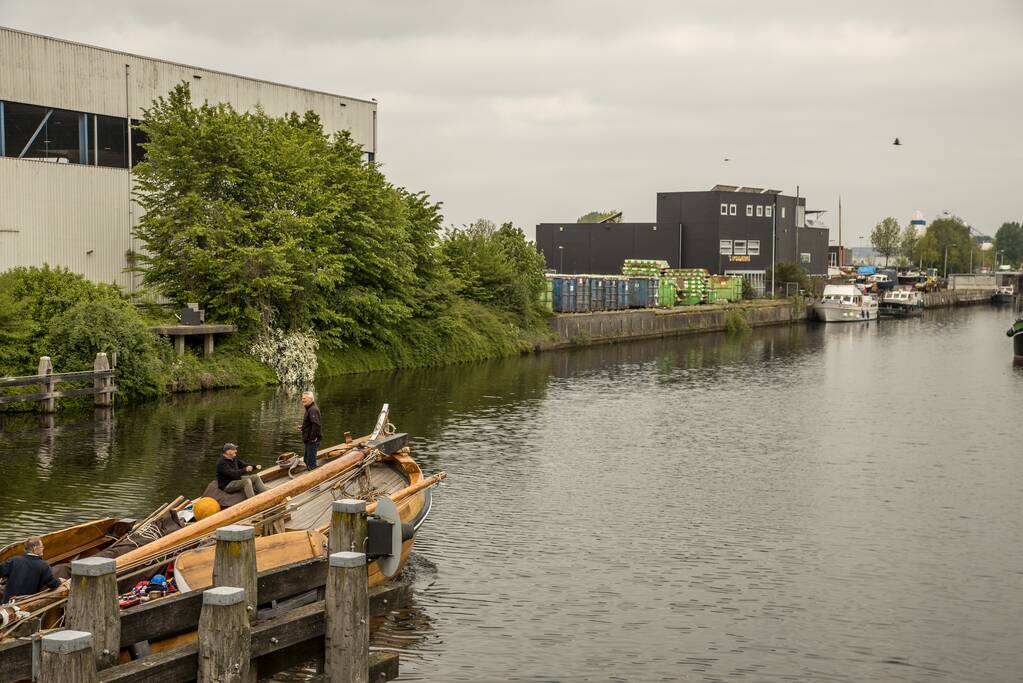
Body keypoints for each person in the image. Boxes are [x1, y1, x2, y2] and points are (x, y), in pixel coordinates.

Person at [0, 537, 61, 603]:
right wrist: (60, 581)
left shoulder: (14, 560)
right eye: (41, 547)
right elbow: (52, 584)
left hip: (6, 602)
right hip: (25, 604)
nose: (43, 549)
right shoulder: (43, 565)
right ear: (35, 549)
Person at [299, 390, 322, 470]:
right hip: (308, 439)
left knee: (311, 462)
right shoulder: (309, 408)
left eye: (304, 398)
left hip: (312, 440)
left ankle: (314, 476)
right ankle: (310, 470)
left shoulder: (313, 410)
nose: (302, 400)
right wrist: (302, 427)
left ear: (310, 399)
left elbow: (316, 425)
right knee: (306, 460)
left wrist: (312, 438)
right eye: (302, 398)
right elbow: (310, 423)